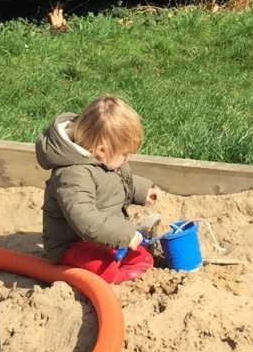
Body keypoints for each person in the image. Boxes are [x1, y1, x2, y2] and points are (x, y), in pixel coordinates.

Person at [35, 95, 161, 284]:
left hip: (102, 236)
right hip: (73, 244)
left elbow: (115, 184)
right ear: (102, 151)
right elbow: (86, 220)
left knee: (142, 256)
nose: (126, 159)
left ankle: (125, 268)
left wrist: (142, 190)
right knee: (107, 270)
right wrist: (125, 234)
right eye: (124, 154)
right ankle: (112, 281)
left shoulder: (106, 162)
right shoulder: (72, 175)